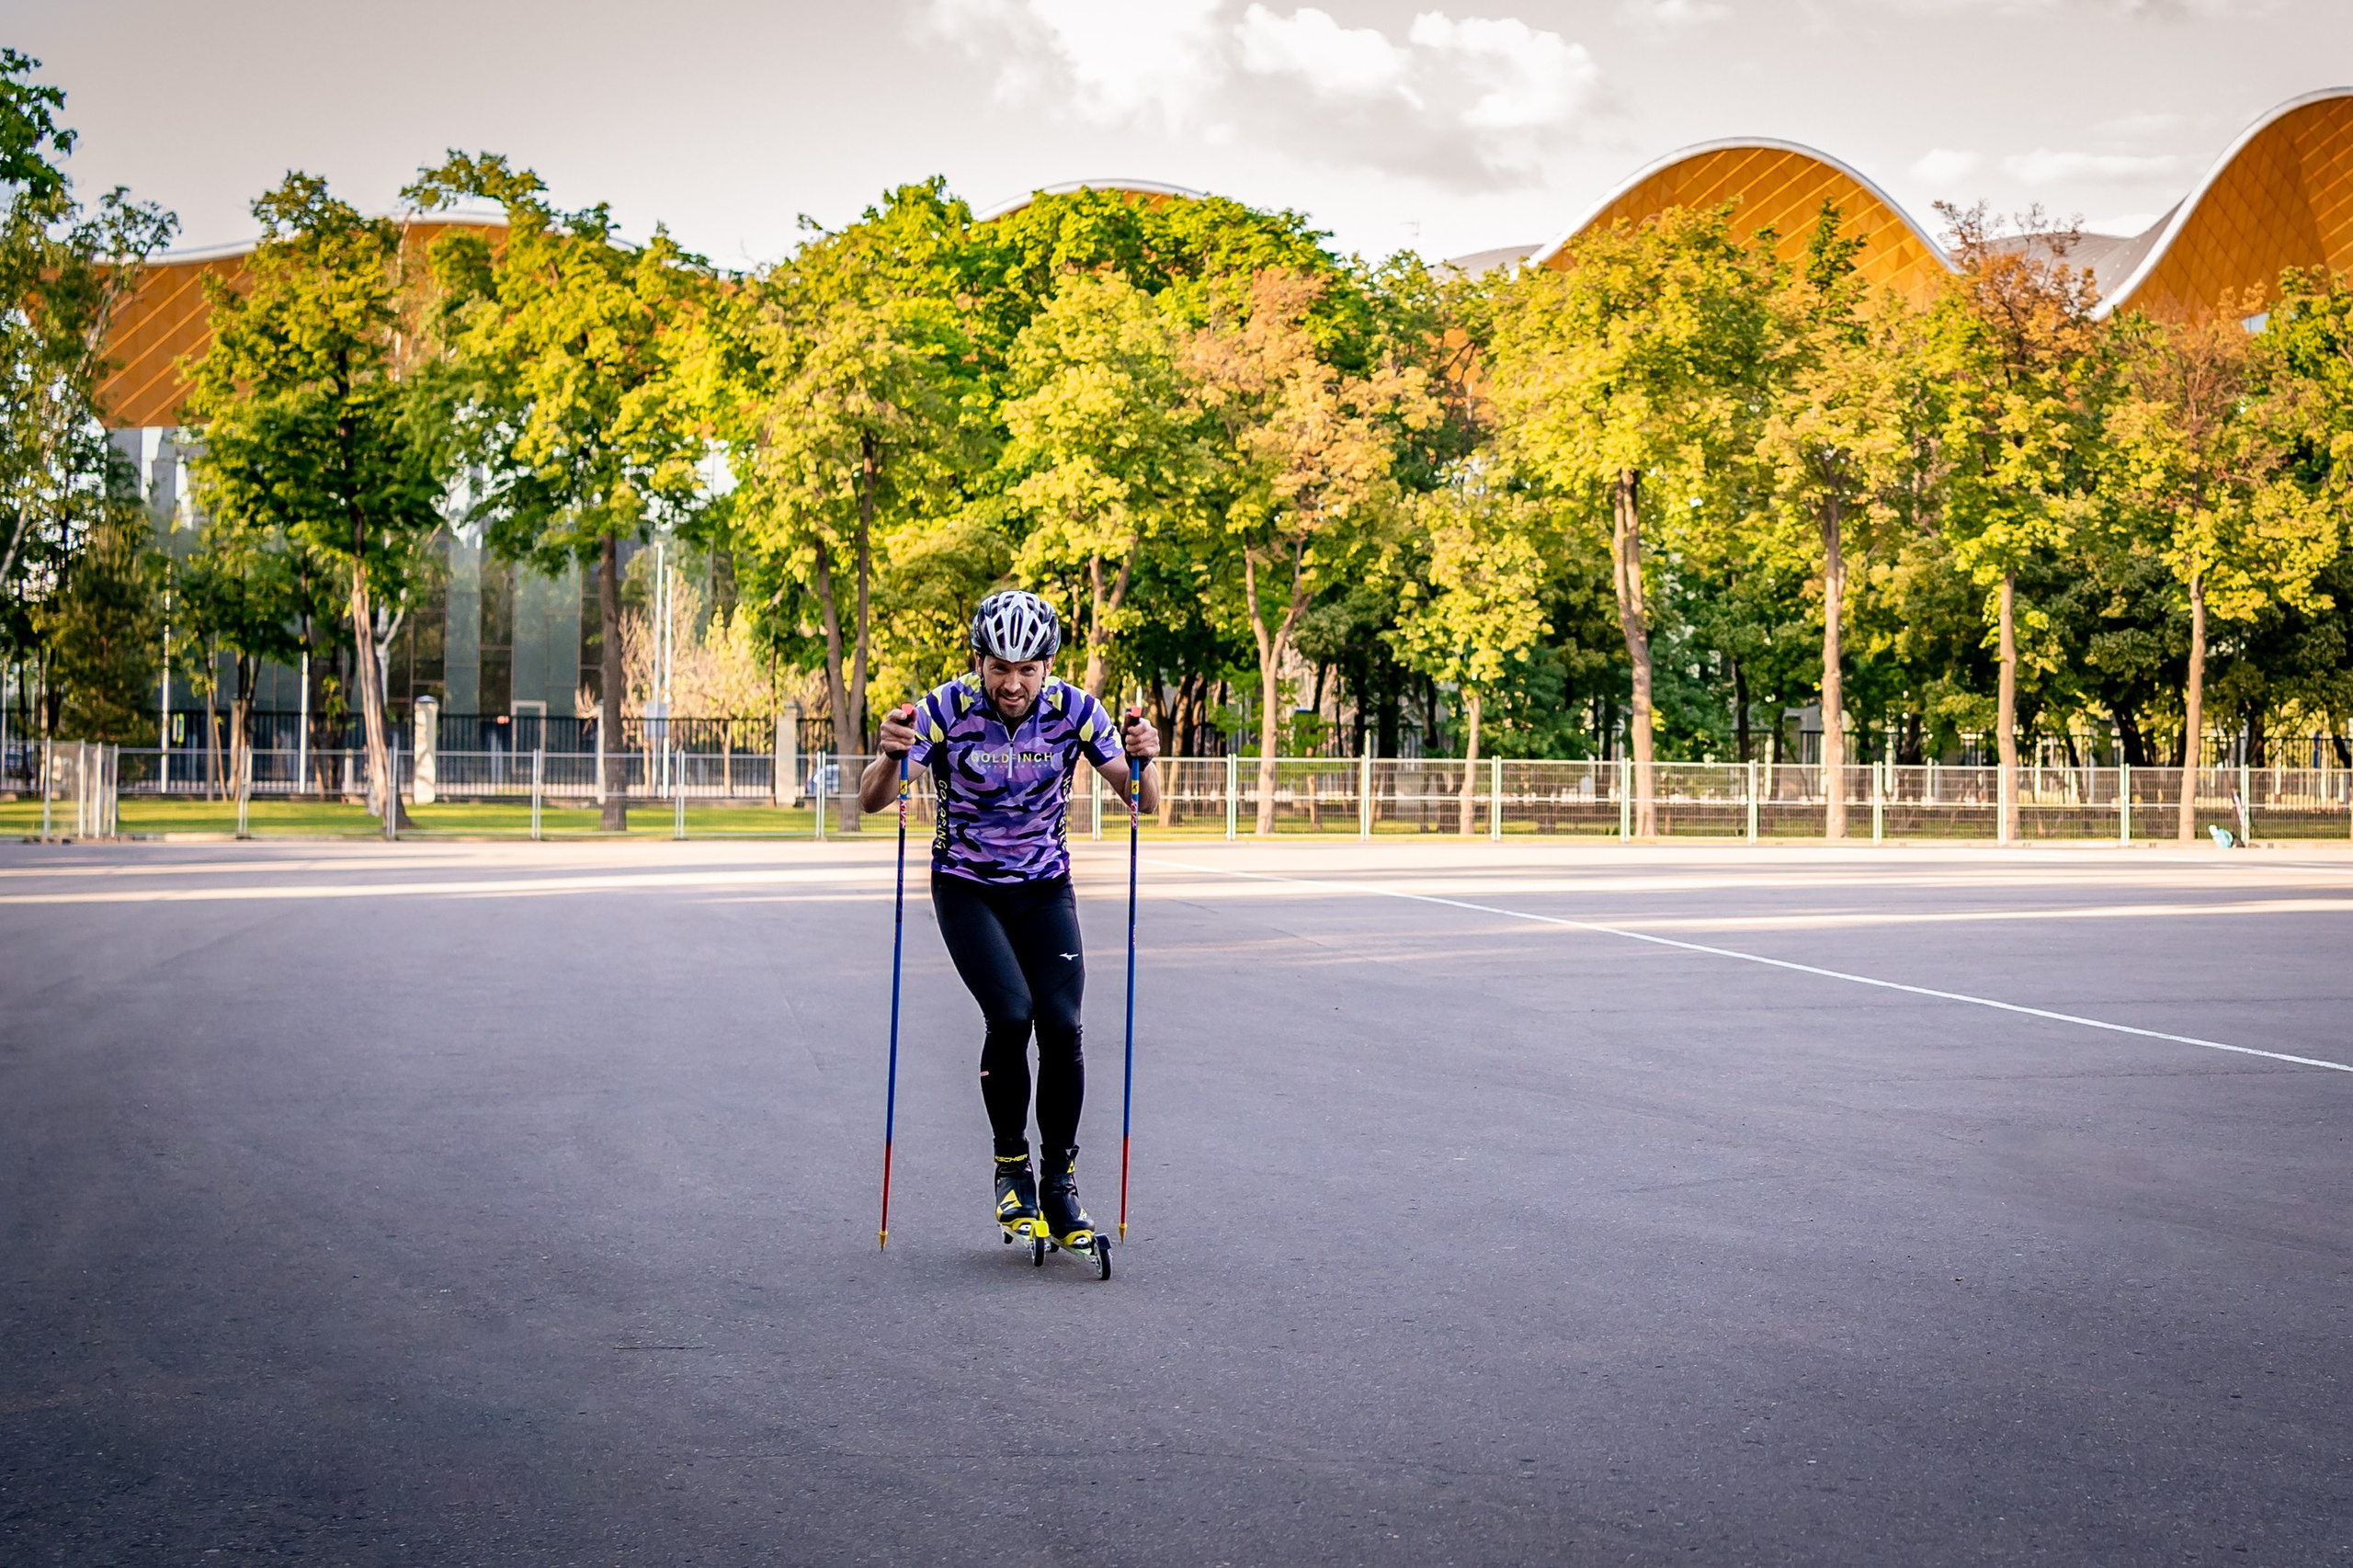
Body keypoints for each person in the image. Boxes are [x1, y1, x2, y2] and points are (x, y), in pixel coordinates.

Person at [860, 589, 1160, 1255]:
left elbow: (1143, 801)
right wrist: (887, 755)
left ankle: (1060, 1181)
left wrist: (1147, 757)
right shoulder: (943, 709)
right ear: (979, 660)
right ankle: (1010, 1170)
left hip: (1045, 887)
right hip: (967, 888)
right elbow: (873, 801)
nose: (1014, 683)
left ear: (1049, 665)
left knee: (1063, 1026)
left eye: (1029, 668)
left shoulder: (1077, 710)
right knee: (1013, 1016)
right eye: (1001, 667)